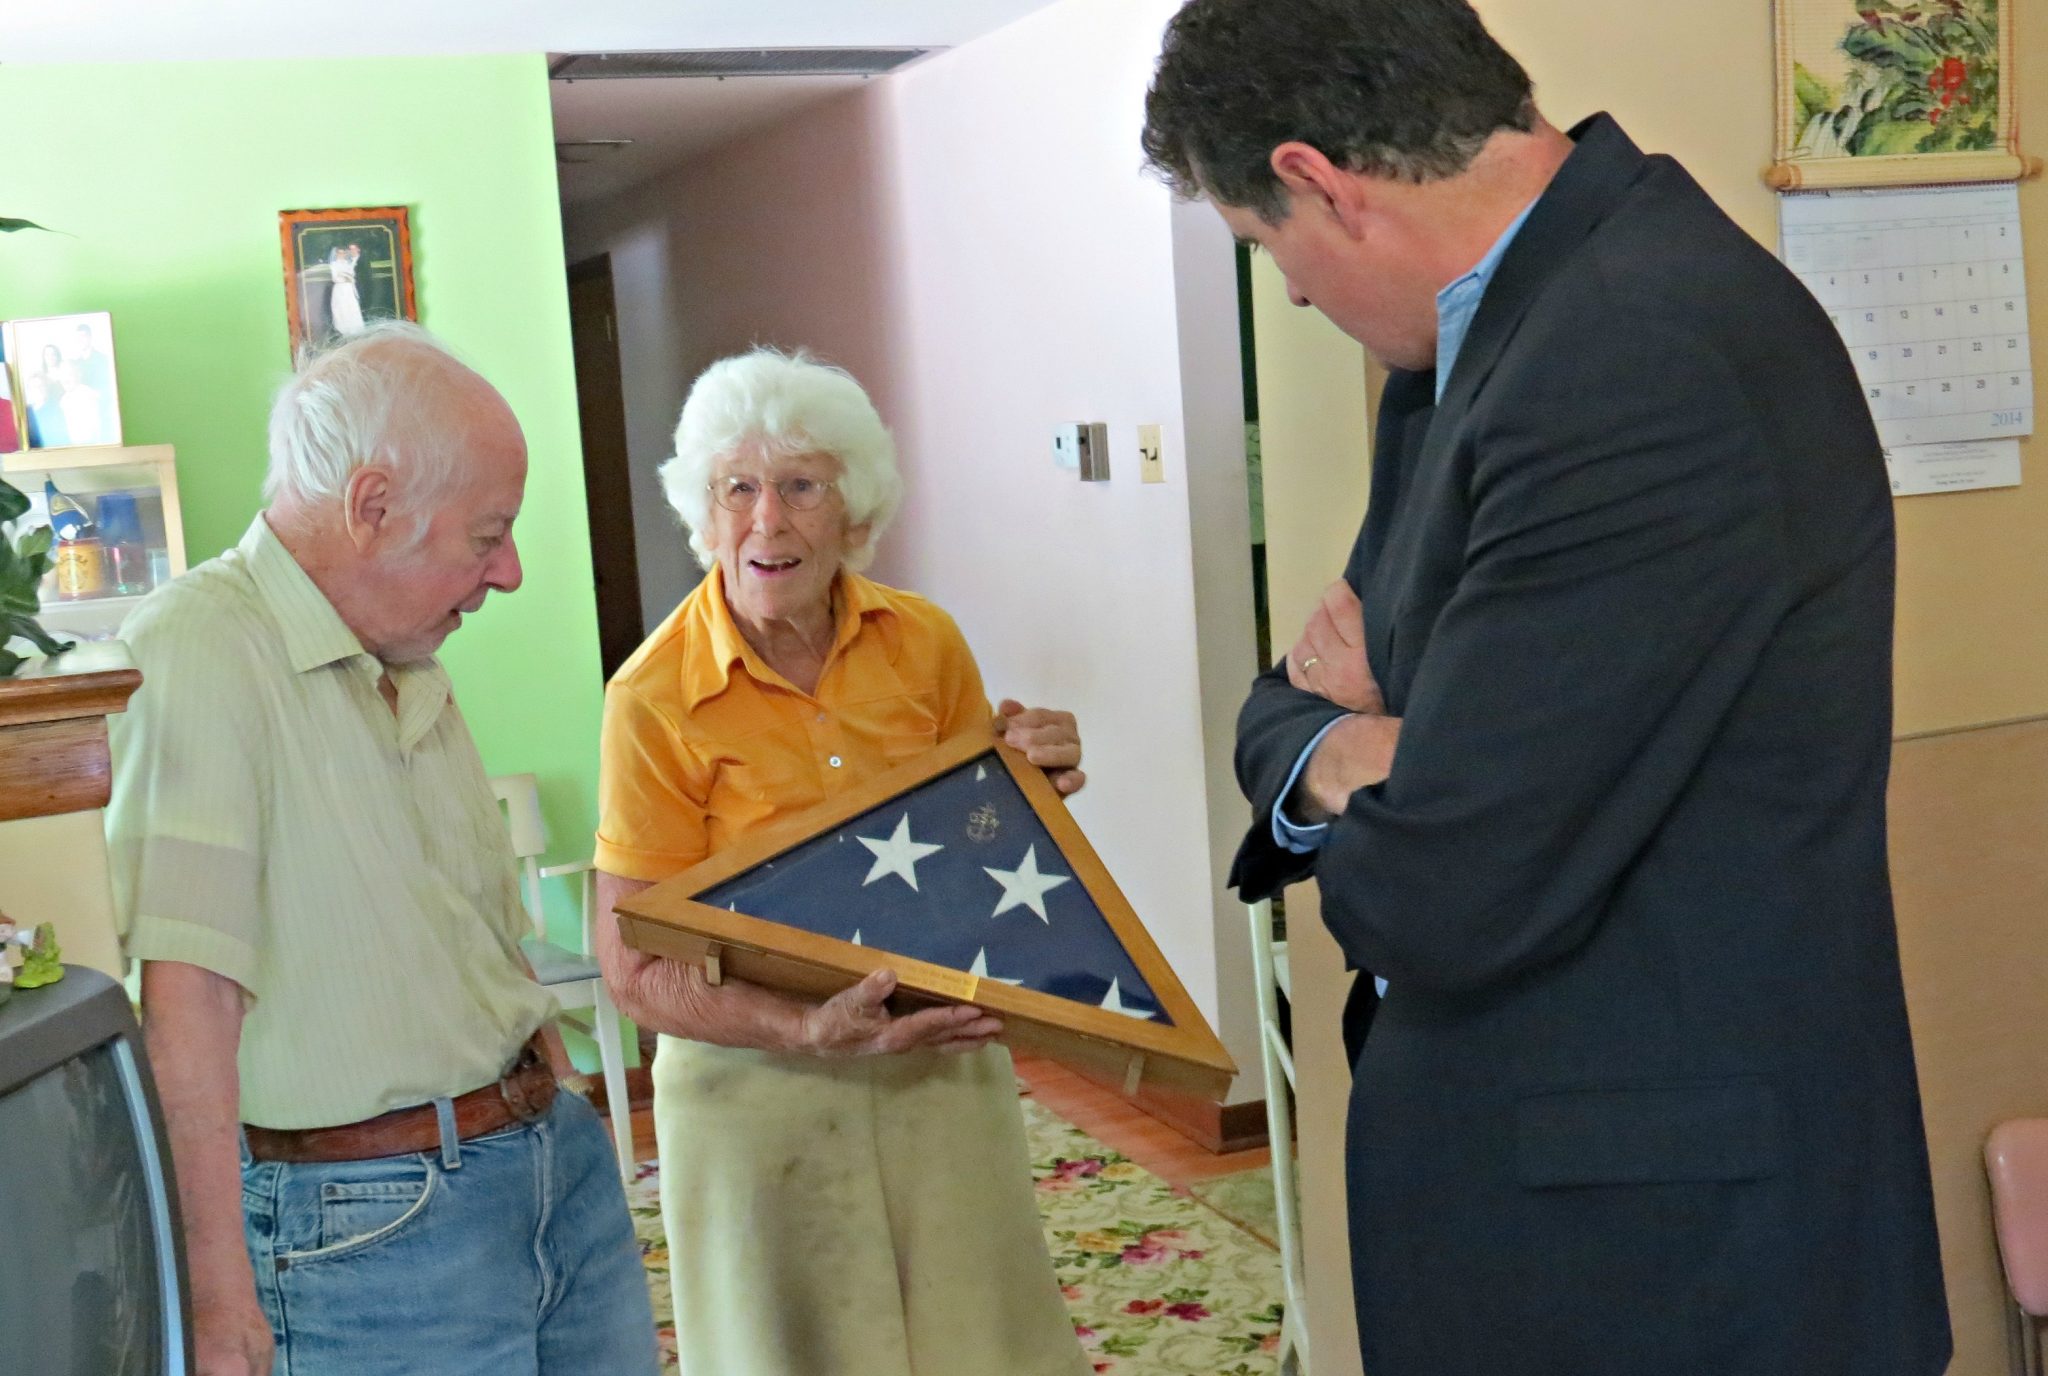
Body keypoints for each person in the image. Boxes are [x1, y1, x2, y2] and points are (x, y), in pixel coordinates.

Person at [1143, 2, 1950, 1373]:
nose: (1288, 294)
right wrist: (1357, 748)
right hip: (1579, 1216)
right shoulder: (1478, 347)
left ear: (1315, 182)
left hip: (1669, 1268)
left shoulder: (1635, 353)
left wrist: (1383, 750)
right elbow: (1293, 703)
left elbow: (1448, 885)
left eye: (1263, 249)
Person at [105, 321, 658, 1376]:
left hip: (547, 1164)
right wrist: (217, 1299)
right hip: (370, 1224)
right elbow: (187, 995)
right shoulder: (197, 648)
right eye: (485, 535)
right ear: (370, 507)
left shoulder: (402, 649)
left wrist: (552, 1096)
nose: (509, 573)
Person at [593, 347, 1092, 1376]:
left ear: (853, 512)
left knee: (978, 1343)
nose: (765, 521)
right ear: (703, 507)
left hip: (932, 1069)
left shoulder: (925, 643)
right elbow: (632, 963)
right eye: (737, 487)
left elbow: (976, 859)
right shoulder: (649, 697)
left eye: (799, 486)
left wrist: (1031, 789)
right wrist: (802, 1027)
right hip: (752, 1089)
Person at [330, 243, 366, 336]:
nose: (341, 255)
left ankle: (355, 329)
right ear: (336, 254)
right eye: (339, 253)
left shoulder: (348, 263)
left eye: (343, 253)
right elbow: (334, 278)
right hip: (340, 288)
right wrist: (345, 279)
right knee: (341, 307)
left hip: (349, 289)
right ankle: (343, 329)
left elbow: (352, 275)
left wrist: (351, 279)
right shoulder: (334, 265)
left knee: (351, 306)